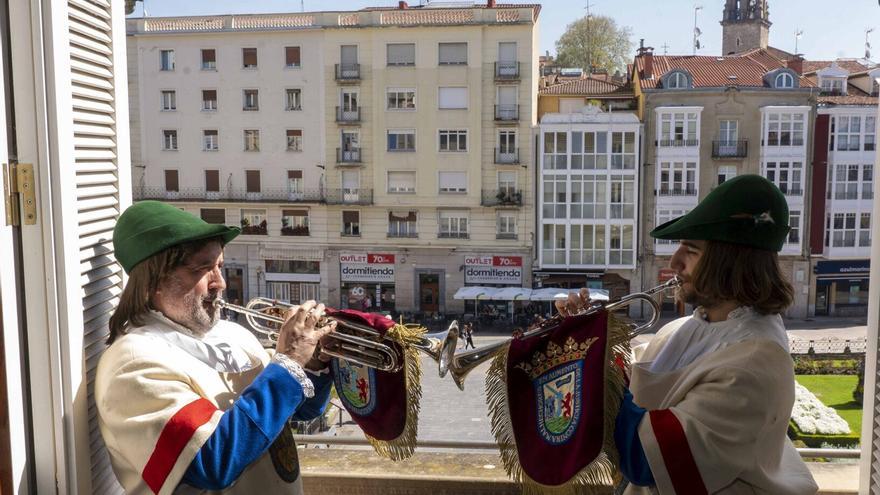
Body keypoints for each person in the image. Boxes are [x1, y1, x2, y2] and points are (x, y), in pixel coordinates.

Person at [557, 175, 818, 494]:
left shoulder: (754, 362)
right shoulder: (687, 326)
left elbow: (647, 460)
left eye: (691, 250)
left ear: (730, 261)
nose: (674, 262)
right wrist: (589, 339)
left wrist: (582, 359)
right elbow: (638, 398)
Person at [95, 201, 337, 494]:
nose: (220, 283)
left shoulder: (233, 336)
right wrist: (288, 362)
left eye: (219, 266)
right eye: (203, 269)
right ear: (155, 282)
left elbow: (297, 411)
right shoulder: (133, 362)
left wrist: (312, 364)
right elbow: (212, 461)